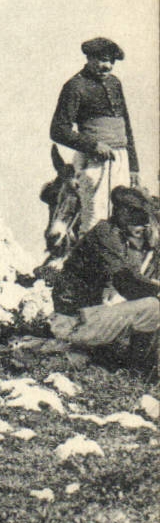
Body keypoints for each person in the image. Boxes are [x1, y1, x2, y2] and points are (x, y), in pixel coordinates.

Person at [49, 186, 160, 371]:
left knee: (148, 307)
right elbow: (127, 283)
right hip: (73, 323)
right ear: (122, 212)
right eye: (138, 214)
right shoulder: (105, 234)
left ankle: (138, 367)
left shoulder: (114, 236)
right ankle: (136, 371)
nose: (143, 221)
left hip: (83, 317)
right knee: (152, 308)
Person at [49, 37, 141, 248]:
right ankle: (86, 275)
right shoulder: (75, 86)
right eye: (101, 60)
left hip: (121, 161)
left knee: (121, 220)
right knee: (95, 220)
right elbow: (58, 130)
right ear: (89, 58)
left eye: (110, 61)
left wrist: (134, 167)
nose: (106, 66)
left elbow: (126, 126)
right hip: (94, 162)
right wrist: (93, 145)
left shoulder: (115, 83)